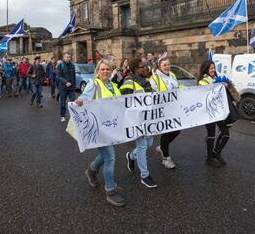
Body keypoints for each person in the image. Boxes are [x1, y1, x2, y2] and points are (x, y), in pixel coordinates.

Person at [77, 59, 126, 207]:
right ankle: (110, 191)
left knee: (106, 155)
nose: (105, 71)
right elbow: (84, 97)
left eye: (108, 69)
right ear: (97, 71)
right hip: (98, 127)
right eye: (102, 69)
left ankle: (91, 171)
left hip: (111, 127)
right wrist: (79, 100)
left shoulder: (113, 85)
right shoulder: (94, 84)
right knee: (110, 157)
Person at [120, 58, 158, 188]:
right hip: (136, 121)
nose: (146, 68)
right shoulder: (129, 82)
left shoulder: (145, 81)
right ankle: (145, 175)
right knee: (142, 146)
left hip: (148, 119)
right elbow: (123, 101)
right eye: (143, 66)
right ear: (136, 69)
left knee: (149, 143)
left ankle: (131, 156)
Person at [149, 56, 185, 169]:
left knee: (177, 130)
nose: (167, 67)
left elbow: (178, 87)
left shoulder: (172, 75)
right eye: (164, 65)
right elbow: (150, 93)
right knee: (166, 132)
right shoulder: (154, 78)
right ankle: (166, 159)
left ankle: (162, 147)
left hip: (173, 108)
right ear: (159, 66)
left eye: (168, 64)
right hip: (162, 109)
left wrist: (188, 89)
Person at [197, 60, 231, 167]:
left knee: (226, 133)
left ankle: (216, 152)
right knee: (211, 135)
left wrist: (226, 86)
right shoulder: (202, 81)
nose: (213, 70)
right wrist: (219, 86)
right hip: (209, 112)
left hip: (219, 111)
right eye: (211, 68)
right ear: (206, 69)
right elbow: (207, 95)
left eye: (214, 68)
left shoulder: (216, 79)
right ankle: (209, 157)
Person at [56, 52, 76, 122]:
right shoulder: (60, 65)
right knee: (63, 103)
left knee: (73, 102)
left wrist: (74, 86)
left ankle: (74, 116)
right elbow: (58, 76)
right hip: (63, 88)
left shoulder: (72, 65)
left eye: (69, 57)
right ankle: (62, 115)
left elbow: (74, 77)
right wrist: (66, 82)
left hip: (71, 88)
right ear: (64, 57)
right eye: (67, 57)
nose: (68, 58)